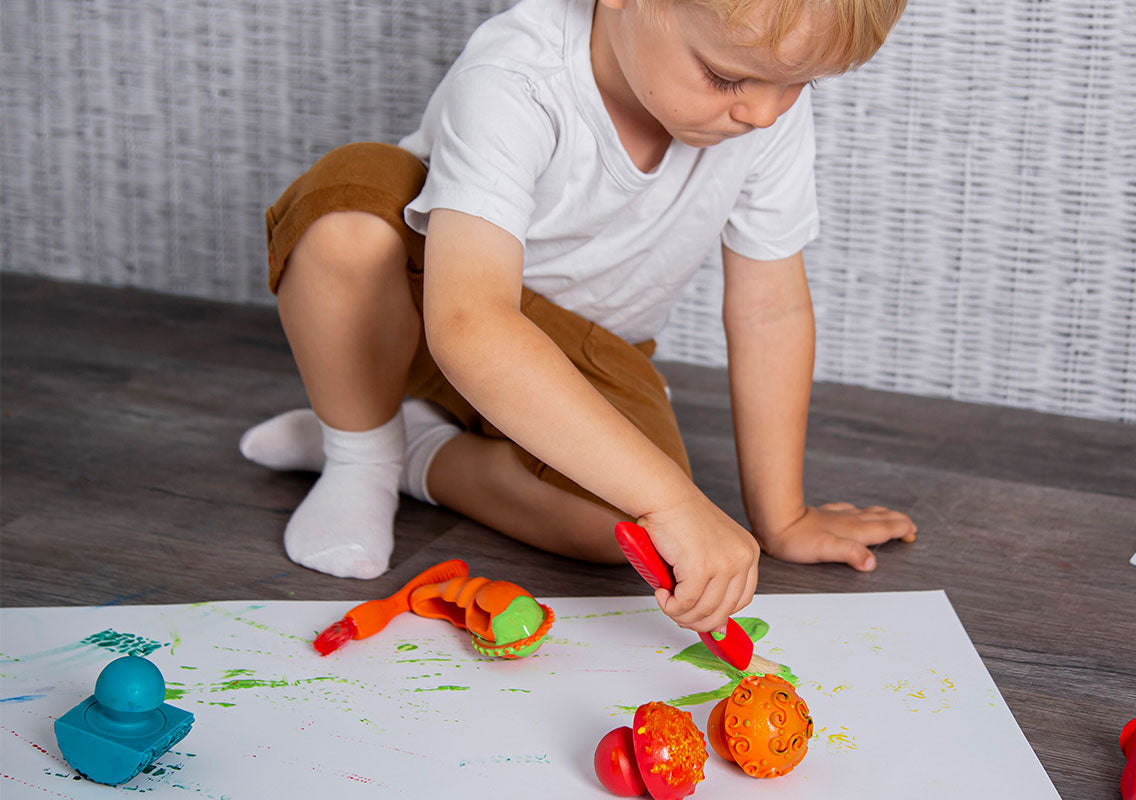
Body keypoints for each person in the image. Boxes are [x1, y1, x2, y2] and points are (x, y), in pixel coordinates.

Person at [240, 0, 916, 636]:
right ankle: (359, 452)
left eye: (798, 85)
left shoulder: (763, 113)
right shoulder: (516, 78)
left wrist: (783, 516)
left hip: (578, 362)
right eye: (725, 76)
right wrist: (675, 500)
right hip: (418, 313)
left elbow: (771, 309)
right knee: (348, 213)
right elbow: (472, 323)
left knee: (629, 532)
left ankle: (413, 448)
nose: (764, 114)